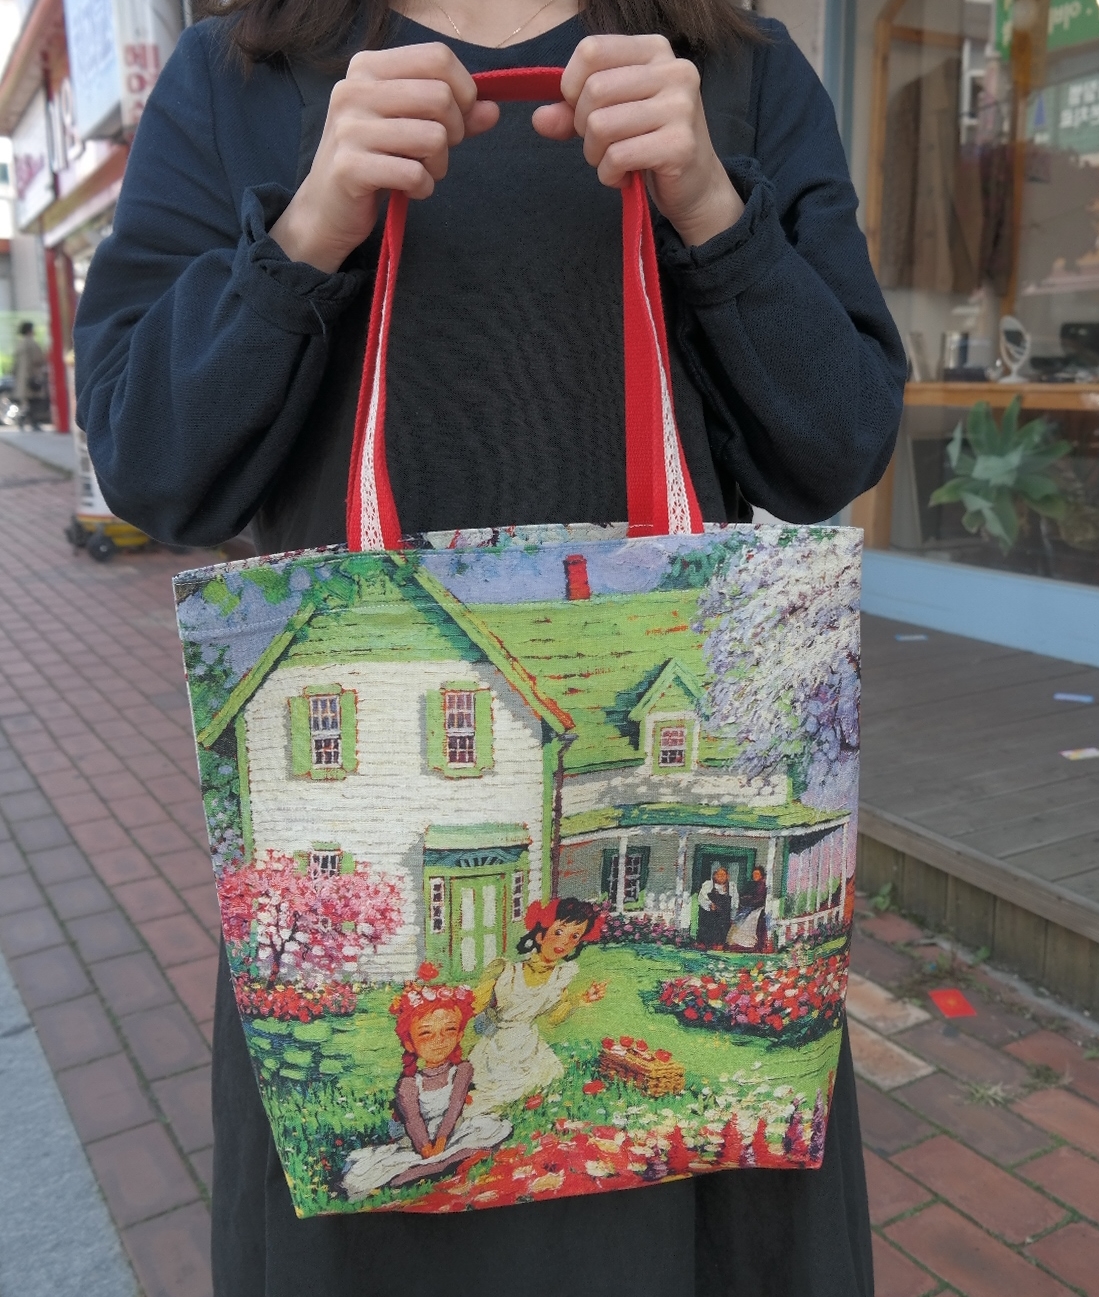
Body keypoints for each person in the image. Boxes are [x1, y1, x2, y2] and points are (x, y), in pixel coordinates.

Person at [73, 0, 903, 1292]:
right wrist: (305, 233)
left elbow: (839, 442)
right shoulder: (243, 75)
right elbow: (145, 461)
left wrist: (711, 207)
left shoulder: (736, 71)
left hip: (692, 1161)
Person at [342, 975, 512, 1200]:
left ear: (460, 1035)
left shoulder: (462, 1071)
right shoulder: (409, 1084)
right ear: (410, 1043)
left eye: (449, 1030)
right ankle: (430, 1167)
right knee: (373, 1171)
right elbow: (413, 1122)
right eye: (426, 1034)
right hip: (415, 1144)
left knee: (490, 1128)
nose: (439, 1041)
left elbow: (454, 1109)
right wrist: (427, 1151)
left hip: (449, 1135)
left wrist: (441, 1142)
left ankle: (438, 1165)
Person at [468, 897, 606, 1110]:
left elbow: (554, 1017)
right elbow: (473, 1006)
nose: (564, 942)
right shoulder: (507, 972)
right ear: (541, 935)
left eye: (574, 936)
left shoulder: (560, 977)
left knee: (539, 1085)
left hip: (528, 1046)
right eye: (558, 932)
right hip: (497, 1044)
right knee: (491, 1092)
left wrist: (582, 1000)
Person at [12, 322, 47, 428]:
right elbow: (38, 359)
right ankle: (33, 421)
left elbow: (15, 364)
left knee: (28, 401)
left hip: (22, 377)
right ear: (30, 330)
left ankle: (23, 418)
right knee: (35, 401)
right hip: (32, 376)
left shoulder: (20, 344)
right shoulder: (32, 343)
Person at [727, 863, 767, 951]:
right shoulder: (752, 884)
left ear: (761, 875)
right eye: (754, 874)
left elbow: (758, 899)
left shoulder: (761, 885)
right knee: (738, 918)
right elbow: (744, 895)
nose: (755, 876)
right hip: (748, 905)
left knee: (742, 919)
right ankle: (731, 941)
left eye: (757, 874)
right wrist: (745, 899)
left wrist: (748, 900)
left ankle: (739, 942)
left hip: (754, 907)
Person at [696, 865, 736, 949]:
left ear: (727, 876)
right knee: (707, 927)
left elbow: (735, 902)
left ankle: (719, 945)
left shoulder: (731, 887)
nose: (721, 877)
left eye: (723, 875)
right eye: (719, 875)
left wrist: (733, 916)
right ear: (715, 876)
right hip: (709, 913)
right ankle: (704, 944)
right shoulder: (708, 885)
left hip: (724, 915)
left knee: (723, 928)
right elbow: (701, 898)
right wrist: (710, 904)